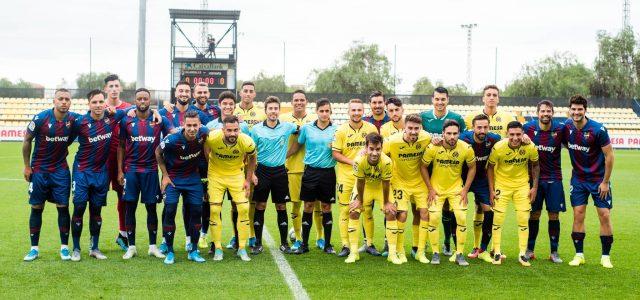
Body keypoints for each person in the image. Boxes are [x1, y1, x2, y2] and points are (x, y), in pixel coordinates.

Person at [68, 89, 127, 261]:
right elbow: (67, 141)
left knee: (96, 210)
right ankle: (76, 249)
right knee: (79, 207)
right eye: (95, 102)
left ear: (105, 103)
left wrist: (158, 113)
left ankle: (94, 248)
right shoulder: (80, 122)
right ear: (89, 104)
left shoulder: (113, 117)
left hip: (101, 172)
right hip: (82, 171)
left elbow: (133, 110)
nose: (98, 105)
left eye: (101, 102)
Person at [22, 88, 80, 261]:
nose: (64, 102)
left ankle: (64, 248)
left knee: (63, 207)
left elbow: (71, 138)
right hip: (39, 170)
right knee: (37, 208)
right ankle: (34, 249)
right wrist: (27, 166)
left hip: (60, 171)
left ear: (70, 102)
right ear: (54, 101)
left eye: (67, 99)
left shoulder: (74, 120)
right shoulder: (41, 118)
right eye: (60, 99)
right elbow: (26, 141)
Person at [118, 88, 173, 260]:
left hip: (150, 170)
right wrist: (120, 170)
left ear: (150, 101)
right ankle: (131, 246)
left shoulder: (159, 120)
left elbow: (172, 132)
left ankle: (152, 246)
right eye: (139, 99)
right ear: (135, 101)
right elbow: (120, 146)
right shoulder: (126, 120)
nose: (142, 101)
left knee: (151, 208)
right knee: (130, 208)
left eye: (145, 99)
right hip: (131, 170)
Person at [158, 81, 209, 253]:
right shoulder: (165, 113)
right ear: (176, 92)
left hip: (193, 171)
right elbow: (146, 115)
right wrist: (164, 174)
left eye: (187, 90)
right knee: (169, 208)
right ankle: (165, 241)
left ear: (191, 94)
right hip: (172, 171)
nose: (184, 93)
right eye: (181, 90)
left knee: (192, 208)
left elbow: (212, 130)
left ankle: (190, 241)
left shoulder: (200, 117)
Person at [564, 95, 614, 269]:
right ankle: (579, 255)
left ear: (585, 111)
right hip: (578, 180)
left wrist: (605, 182)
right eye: (574, 109)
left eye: (580, 109)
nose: (576, 112)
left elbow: (609, 156)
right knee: (578, 213)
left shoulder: (598, 130)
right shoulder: (566, 127)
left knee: (604, 215)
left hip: (598, 180)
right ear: (569, 110)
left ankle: (605, 256)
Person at [420, 86, 467, 257]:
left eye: (443, 99)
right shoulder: (423, 117)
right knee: (424, 208)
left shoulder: (456, 118)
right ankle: (423, 243)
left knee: (449, 208)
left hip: (451, 166)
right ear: (432, 100)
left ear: (448, 100)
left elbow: (464, 138)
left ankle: (448, 241)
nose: (440, 102)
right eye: (437, 99)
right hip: (428, 166)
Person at [421, 120, 476, 266]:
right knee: (433, 219)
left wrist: (465, 189)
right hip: (436, 190)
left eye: (455, 133)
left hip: (456, 189)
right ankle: (435, 253)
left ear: (459, 134)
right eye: (449, 133)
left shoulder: (466, 148)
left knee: (462, 218)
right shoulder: (433, 147)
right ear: (443, 134)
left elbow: (472, 167)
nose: (452, 137)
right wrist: (430, 188)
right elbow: (423, 166)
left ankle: (459, 254)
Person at [204, 115, 257, 262]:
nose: (232, 133)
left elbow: (253, 158)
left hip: (236, 175)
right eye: (229, 130)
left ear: (239, 129)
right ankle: (218, 248)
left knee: (244, 209)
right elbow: (205, 148)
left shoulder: (246, 141)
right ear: (223, 130)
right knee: (214, 210)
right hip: (216, 176)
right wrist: (210, 166)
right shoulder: (212, 137)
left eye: (235, 130)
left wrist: (248, 179)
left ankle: (241, 248)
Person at [487, 121, 539, 267]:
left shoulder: (530, 146)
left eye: (518, 134)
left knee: (523, 218)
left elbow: (535, 166)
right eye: (512, 135)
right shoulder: (498, 147)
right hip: (502, 185)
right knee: (498, 218)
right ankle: (496, 251)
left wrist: (534, 187)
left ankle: (522, 254)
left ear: (523, 134)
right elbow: (490, 168)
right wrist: (491, 189)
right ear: (506, 134)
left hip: (522, 186)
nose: (515, 138)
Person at [250, 96, 298, 254]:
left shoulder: (287, 127)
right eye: (270, 109)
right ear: (265, 111)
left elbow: (301, 132)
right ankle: (258, 243)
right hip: (262, 171)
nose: (273, 111)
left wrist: (289, 153)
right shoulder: (256, 130)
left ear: (279, 110)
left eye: (275, 108)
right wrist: (252, 173)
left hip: (279, 172)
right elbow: (250, 153)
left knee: (281, 206)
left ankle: (284, 243)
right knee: (260, 205)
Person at [332, 99, 379, 257]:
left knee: (367, 211)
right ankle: (345, 245)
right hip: (346, 178)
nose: (356, 113)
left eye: (359, 110)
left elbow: (377, 149)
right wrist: (354, 162)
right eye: (353, 110)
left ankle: (370, 244)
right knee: (346, 210)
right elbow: (335, 154)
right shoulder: (341, 131)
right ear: (348, 112)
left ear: (363, 111)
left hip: (365, 178)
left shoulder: (371, 128)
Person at [382, 114, 432, 263]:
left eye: (416, 128)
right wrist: (364, 151)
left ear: (421, 128)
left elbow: (435, 146)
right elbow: (379, 153)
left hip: (419, 182)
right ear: (404, 127)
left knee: (425, 213)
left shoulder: (426, 137)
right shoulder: (392, 141)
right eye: (410, 128)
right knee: (402, 215)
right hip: (400, 182)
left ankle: (420, 251)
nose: (413, 132)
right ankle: (400, 250)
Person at [291, 99, 338, 254]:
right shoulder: (306, 128)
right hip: (310, 172)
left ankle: (328, 244)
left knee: (326, 207)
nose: (324, 114)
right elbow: (298, 144)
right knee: (308, 206)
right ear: (317, 112)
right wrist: (284, 156)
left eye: (327, 111)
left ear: (331, 112)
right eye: (322, 111)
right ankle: (304, 244)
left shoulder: (337, 130)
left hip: (328, 173)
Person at [205, 90, 249, 252]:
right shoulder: (211, 126)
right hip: (216, 173)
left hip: (236, 172)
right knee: (215, 207)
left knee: (237, 207)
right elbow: (206, 149)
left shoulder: (243, 125)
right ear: (219, 105)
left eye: (231, 104)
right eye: (225, 103)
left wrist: (249, 173)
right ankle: (214, 243)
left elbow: (248, 150)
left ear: (235, 106)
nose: (228, 106)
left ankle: (238, 239)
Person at [280, 90, 324, 252]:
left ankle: (320, 237)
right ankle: (298, 238)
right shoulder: (284, 120)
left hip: (314, 168)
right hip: (293, 168)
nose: (299, 102)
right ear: (292, 102)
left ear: (307, 102)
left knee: (317, 204)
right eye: (296, 100)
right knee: (296, 204)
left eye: (302, 100)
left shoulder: (315, 119)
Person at [522, 100, 566, 263]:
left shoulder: (560, 129)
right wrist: (522, 136)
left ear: (552, 113)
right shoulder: (528, 128)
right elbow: (511, 137)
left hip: (554, 178)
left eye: (548, 111)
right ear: (537, 113)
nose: (545, 114)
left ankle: (554, 252)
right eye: (543, 111)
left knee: (554, 214)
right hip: (534, 180)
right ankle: (529, 250)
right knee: (534, 214)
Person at [459, 114, 502, 262]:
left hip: (481, 179)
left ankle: (482, 248)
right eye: (479, 127)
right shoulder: (463, 138)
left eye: (485, 127)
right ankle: (455, 249)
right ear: (473, 128)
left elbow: (509, 142)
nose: (482, 130)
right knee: (457, 211)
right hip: (462, 178)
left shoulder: (494, 139)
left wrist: (524, 138)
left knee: (488, 211)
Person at [346, 133, 392, 263]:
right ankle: (354, 253)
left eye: (378, 149)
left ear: (382, 148)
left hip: (380, 188)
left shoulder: (387, 162)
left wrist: (387, 202)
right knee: (354, 212)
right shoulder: (358, 161)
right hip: (364, 187)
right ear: (365, 148)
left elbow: (386, 183)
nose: (374, 153)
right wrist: (359, 201)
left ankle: (392, 253)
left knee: (391, 212)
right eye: (371, 149)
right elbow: (360, 182)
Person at [233, 81, 266, 249]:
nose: (247, 93)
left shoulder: (261, 114)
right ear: (240, 93)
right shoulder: (233, 110)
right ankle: (235, 235)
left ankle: (251, 233)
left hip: (254, 161)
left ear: (254, 94)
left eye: (250, 91)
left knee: (251, 199)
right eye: (245, 90)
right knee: (235, 200)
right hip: (236, 162)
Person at [103, 74, 133, 251]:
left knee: (123, 197)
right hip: (101, 159)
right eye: (110, 86)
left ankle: (122, 234)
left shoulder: (128, 108)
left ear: (120, 88)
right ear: (106, 89)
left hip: (122, 158)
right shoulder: (99, 107)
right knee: (97, 196)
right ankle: (94, 238)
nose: (114, 89)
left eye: (116, 86)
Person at [192, 81, 221, 249]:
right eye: (199, 92)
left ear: (209, 94)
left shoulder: (215, 110)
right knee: (198, 202)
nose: (202, 95)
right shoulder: (190, 111)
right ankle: (195, 236)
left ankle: (209, 237)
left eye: (205, 92)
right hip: (196, 164)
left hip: (215, 163)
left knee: (213, 202)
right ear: (194, 94)